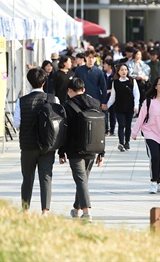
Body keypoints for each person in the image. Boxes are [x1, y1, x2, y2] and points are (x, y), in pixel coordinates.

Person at [13, 68, 58, 215]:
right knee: (46, 177)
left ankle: (25, 209)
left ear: (29, 82)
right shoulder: (53, 99)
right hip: (48, 145)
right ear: (44, 82)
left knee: (27, 177)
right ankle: (45, 211)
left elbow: (17, 124)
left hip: (28, 145)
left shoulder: (21, 101)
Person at [60, 78, 104, 222]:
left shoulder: (67, 105)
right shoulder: (95, 103)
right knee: (83, 180)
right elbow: (101, 127)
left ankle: (86, 212)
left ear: (69, 91)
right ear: (84, 90)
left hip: (74, 149)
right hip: (93, 147)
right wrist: (101, 152)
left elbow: (64, 131)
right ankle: (76, 209)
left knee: (80, 180)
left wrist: (61, 152)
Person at [132, 77, 160, 194]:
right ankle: (153, 182)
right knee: (155, 156)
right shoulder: (148, 102)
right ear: (155, 86)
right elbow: (141, 118)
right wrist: (134, 132)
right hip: (150, 133)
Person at [107, 63, 140, 151]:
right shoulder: (115, 82)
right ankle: (121, 143)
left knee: (128, 125)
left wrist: (136, 106)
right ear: (118, 72)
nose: (124, 71)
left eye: (125, 69)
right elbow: (113, 96)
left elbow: (136, 94)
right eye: (121, 70)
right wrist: (107, 105)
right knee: (121, 125)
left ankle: (127, 142)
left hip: (130, 107)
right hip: (119, 107)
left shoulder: (132, 81)